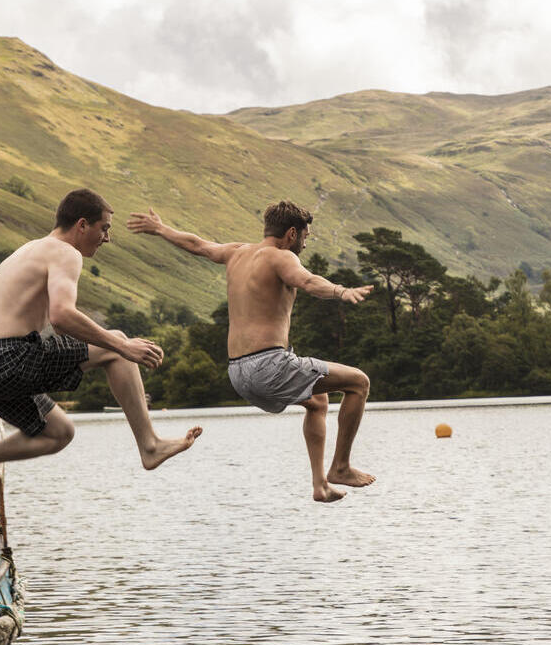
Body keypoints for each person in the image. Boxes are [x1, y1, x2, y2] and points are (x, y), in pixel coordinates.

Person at [0, 188, 202, 519]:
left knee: (60, 432)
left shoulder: (30, 250)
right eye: (105, 228)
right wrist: (122, 346)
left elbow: (57, 323)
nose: (107, 238)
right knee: (118, 345)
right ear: (82, 225)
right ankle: (149, 445)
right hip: (5, 357)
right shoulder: (66, 253)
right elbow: (63, 316)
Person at [129, 200, 375, 503]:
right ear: (291, 234)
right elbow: (308, 282)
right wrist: (341, 291)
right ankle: (340, 467)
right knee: (359, 382)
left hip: (237, 372)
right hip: (269, 366)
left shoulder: (236, 253)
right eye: (305, 238)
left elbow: (198, 245)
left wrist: (160, 229)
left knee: (318, 400)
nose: (305, 245)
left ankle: (320, 485)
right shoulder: (281, 258)